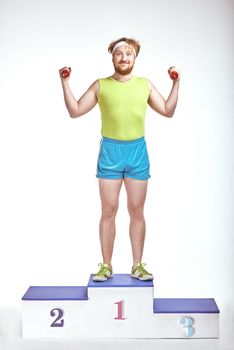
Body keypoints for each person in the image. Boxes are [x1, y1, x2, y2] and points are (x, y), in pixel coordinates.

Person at [59, 37, 180, 282]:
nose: (124, 57)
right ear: (112, 57)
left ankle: (137, 266)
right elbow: (75, 111)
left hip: (137, 152)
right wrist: (65, 82)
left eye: (129, 54)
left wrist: (177, 83)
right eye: (119, 53)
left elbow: (168, 110)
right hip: (110, 153)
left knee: (136, 211)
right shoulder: (100, 85)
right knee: (109, 211)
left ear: (135, 58)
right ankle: (106, 265)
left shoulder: (144, 85)